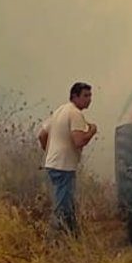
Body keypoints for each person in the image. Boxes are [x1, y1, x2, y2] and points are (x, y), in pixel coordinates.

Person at [38, 82, 97, 237]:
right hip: (64, 166)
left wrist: (50, 152)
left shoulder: (60, 111)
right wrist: (91, 131)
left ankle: (72, 237)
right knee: (63, 206)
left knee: (67, 203)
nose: (89, 99)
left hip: (54, 164)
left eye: (90, 96)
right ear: (75, 96)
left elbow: (42, 135)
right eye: (85, 96)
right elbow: (78, 141)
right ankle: (54, 240)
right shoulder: (75, 113)